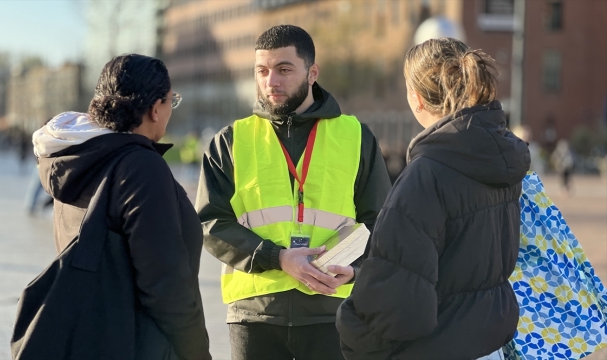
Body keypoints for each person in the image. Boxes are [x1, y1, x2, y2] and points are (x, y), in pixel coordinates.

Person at [195, 25, 391, 360]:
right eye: (262, 71)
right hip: (254, 315)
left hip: (333, 312)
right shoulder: (230, 141)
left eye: (284, 69)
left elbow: (380, 222)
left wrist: (355, 269)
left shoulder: (356, 136)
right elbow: (211, 222)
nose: (271, 82)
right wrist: (279, 258)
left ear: (312, 72)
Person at [336, 38, 531, 359]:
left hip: (438, 345)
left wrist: (350, 326)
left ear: (416, 99)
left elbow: (398, 306)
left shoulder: (426, 175)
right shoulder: (501, 157)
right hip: (490, 342)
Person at [32, 54, 211, 360]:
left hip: (92, 339)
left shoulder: (78, 156)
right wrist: (197, 352)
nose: (170, 110)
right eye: (171, 101)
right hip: (140, 345)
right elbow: (165, 285)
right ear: (156, 108)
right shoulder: (140, 167)